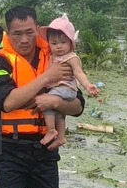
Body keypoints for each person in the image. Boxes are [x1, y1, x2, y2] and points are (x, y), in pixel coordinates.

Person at [0, 6, 86, 188]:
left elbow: (78, 106)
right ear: (7, 33)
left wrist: (54, 101)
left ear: (38, 30)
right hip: (9, 150)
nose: (24, 39)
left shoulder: (56, 57)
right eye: (17, 34)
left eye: (29, 32)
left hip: (45, 149)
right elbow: (8, 103)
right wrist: (47, 77)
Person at [37, 14, 98, 147]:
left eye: (63, 42)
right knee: (59, 113)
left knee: (46, 102)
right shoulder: (51, 56)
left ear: (71, 42)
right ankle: (61, 137)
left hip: (66, 88)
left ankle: (52, 131)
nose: (59, 46)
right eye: (54, 43)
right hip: (58, 88)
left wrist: (88, 86)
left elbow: (78, 72)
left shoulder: (71, 57)